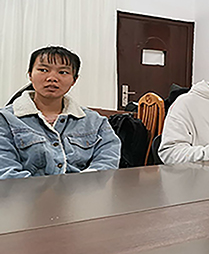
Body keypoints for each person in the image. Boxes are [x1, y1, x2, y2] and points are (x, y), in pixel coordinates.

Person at [0, 46, 121, 179]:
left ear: (74, 80)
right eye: (43, 70)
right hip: (23, 192)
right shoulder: (5, 119)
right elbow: (6, 171)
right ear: (30, 75)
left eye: (63, 72)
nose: (52, 78)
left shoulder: (95, 122)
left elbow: (106, 164)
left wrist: (77, 189)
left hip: (82, 191)